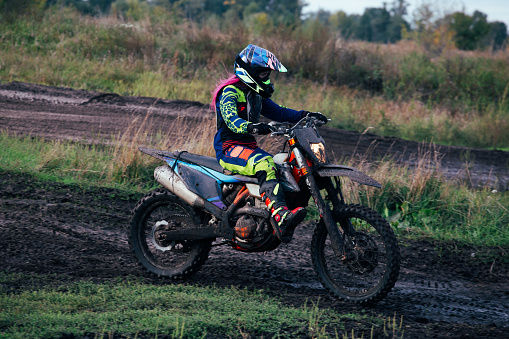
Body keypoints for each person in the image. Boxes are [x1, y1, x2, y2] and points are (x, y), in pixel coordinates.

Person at [210, 44, 328, 243]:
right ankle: (280, 216)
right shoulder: (229, 93)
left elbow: (281, 112)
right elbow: (232, 120)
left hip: (247, 147)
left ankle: (267, 213)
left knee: (283, 166)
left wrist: (306, 115)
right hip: (228, 147)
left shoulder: (255, 96)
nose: (266, 79)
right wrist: (253, 127)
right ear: (250, 72)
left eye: (268, 74)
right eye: (264, 74)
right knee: (264, 163)